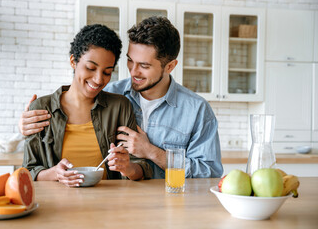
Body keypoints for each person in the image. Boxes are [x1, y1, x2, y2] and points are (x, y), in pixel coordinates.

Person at [20, 17, 223, 179]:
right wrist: (25, 126)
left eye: (144, 66)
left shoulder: (197, 110)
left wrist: (152, 152)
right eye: (129, 61)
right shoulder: (110, 94)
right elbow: (70, 100)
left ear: (169, 66)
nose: (133, 72)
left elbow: (211, 172)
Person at [22, 24, 152, 187]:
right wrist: (55, 173)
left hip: (109, 204)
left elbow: (142, 168)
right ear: (73, 61)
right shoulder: (42, 108)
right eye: (91, 68)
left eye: (107, 72)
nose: (98, 79)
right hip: (56, 203)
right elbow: (28, 171)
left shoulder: (119, 106)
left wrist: (128, 168)